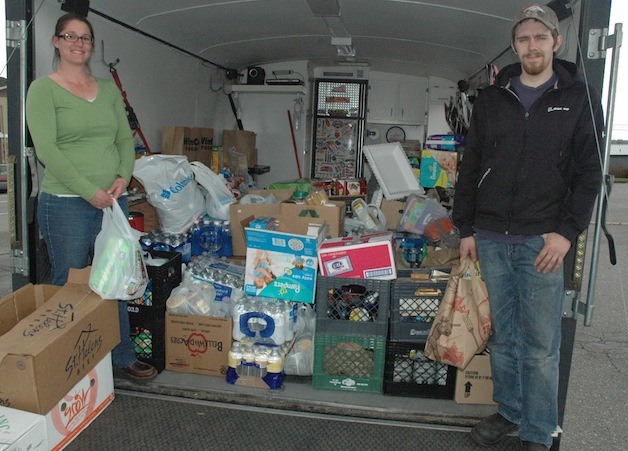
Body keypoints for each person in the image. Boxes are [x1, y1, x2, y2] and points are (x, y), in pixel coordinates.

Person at [452, 5, 603, 450]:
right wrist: (465, 228)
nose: (532, 45)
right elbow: (471, 164)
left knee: (540, 345)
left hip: (544, 241)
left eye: (541, 37)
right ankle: (509, 410)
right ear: (515, 46)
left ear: (556, 42)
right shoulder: (493, 98)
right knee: (503, 337)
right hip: (491, 239)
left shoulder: (578, 96)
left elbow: (589, 172)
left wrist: (566, 232)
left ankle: (539, 430)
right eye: (523, 39)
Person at [25, 13, 157, 381]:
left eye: (85, 38)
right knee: (68, 282)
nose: (78, 43)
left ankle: (121, 357)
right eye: (70, 36)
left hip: (114, 201)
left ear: (91, 45)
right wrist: (89, 191)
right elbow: (47, 149)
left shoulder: (108, 89)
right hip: (66, 201)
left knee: (113, 279)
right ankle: (56, 362)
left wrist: (121, 178)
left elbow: (123, 141)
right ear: (56, 42)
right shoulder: (43, 90)